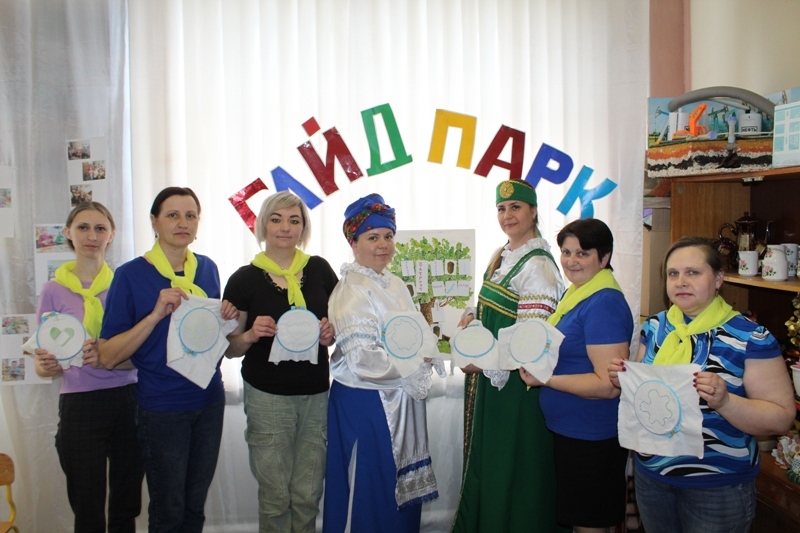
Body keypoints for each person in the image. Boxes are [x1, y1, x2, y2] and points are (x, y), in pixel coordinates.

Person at [609, 237, 795, 533]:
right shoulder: (655, 327)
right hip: (652, 476)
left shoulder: (751, 337)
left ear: (718, 279)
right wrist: (625, 379)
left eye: (693, 272)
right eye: (673, 273)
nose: (681, 281)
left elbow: (781, 418)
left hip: (717, 487)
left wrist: (725, 402)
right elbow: (648, 394)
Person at [98, 187, 238, 532]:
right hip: (162, 408)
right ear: (154, 222)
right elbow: (108, 356)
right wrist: (155, 315)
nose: (182, 223)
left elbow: (208, 337)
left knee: (195, 505)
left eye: (190, 215)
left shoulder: (207, 268)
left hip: (209, 400)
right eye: (172, 215)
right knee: (168, 509)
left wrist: (228, 319)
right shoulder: (130, 275)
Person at [322, 193, 442, 533]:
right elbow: (364, 360)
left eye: (388, 236)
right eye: (373, 237)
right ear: (354, 242)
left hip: (398, 398)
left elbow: (415, 332)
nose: (383, 245)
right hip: (366, 403)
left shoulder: (394, 282)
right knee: (368, 490)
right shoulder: (351, 290)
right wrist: (416, 366)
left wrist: (427, 351)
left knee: (393, 491)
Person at [452, 179, 566, 532]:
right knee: (492, 461)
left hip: (517, 388)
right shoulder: (501, 256)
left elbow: (530, 342)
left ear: (533, 211)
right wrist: (472, 317)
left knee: (513, 463)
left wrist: (482, 362)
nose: (507, 215)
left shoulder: (539, 266)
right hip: (493, 382)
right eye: (501, 209)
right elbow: (494, 310)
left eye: (515, 207)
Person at [224, 191, 338, 532]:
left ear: (303, 228)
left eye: (294, 220)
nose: (285, 227)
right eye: (276, 219)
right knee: (275, 497)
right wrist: (250, 334)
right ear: (263, 225)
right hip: (267, 398)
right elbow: (230, 349)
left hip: (315, 396)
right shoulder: (243, 278)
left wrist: (330, 333)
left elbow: (339, 328)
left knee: (308, 494)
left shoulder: (320, 270)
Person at [33, 201, 143, 532]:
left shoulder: (125, 283)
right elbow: (44, 365)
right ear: (68, 233)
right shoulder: (52, 290)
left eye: (100, 228)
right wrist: (46, 365)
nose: (91, 236)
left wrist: (109, 357)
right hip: (79, 405)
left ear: (111, 235)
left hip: (128, 399)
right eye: (83, 227)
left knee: (126, 503)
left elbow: (143, 351)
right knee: (87, 505)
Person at [519, 218, 633, 532]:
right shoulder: (579, 294)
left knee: (589, 524)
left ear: (604, 257)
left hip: (592, 435)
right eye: (566, 252)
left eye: (582, 253)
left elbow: (608, 385)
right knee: (581, 520)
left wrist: (545, 379)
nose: (571, 261)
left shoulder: (604, 303)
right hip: (574, 432)